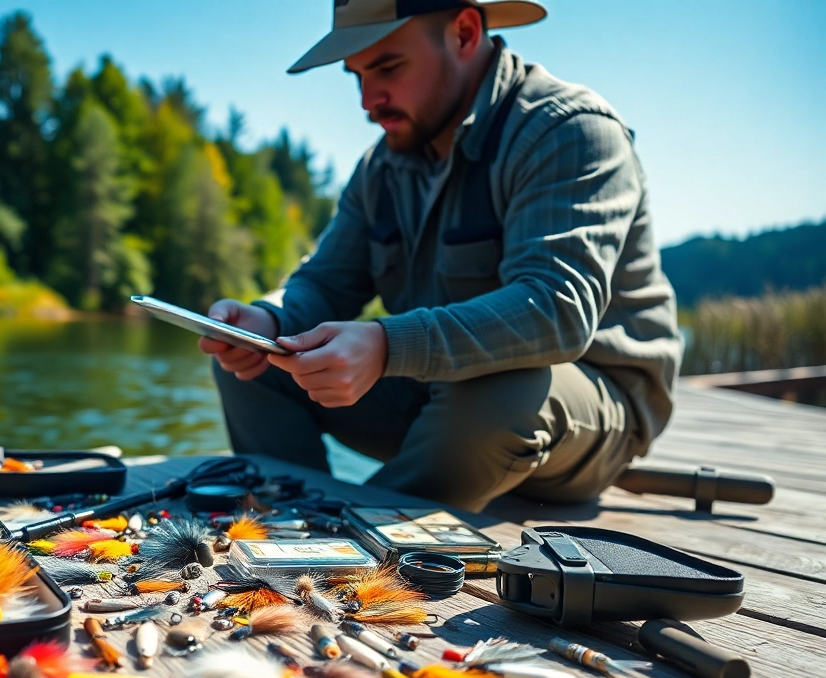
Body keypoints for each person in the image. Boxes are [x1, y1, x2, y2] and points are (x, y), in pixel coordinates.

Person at [199, 0, 683, 512]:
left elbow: (557, 310)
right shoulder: (382, 167)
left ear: (465, 32)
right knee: (261, 359)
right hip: (436, 398)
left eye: (388, 67)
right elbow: (324, 283)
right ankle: (296, 521)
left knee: (498, 388)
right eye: (356, 75)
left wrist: (386, 345)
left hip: (582, 410)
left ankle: (365, 542)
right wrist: (268, 319)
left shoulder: (569, 131)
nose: (368, 101)